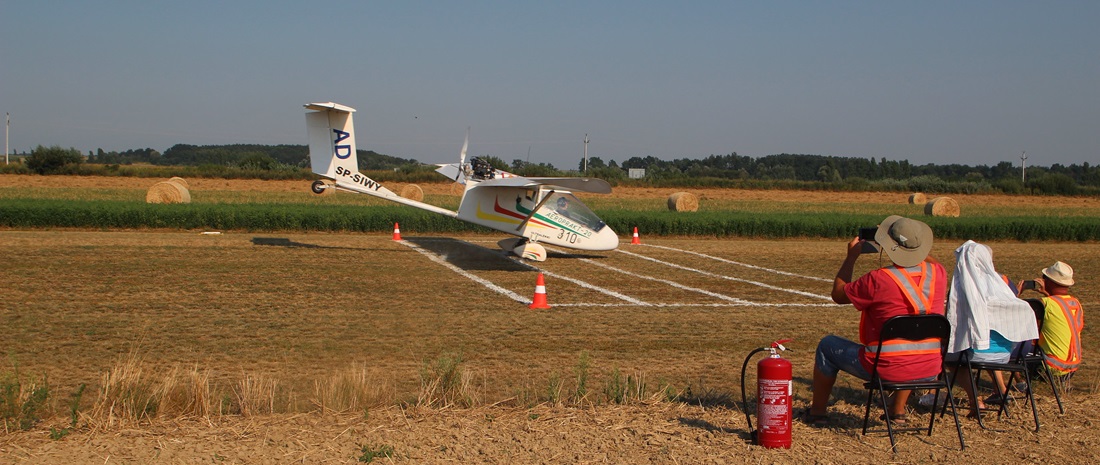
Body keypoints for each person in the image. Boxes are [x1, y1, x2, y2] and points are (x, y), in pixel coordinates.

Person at [804, 215, 948, 426]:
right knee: (911, 342)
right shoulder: (939, 273)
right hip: (929, 368)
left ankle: (817, 412)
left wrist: (851, 257)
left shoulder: (878, 279)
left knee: (827, 346)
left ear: (888, 246)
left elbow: (838, 294)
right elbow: (927, 259)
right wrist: (910, 244)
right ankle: (897, 410)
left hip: (886, 368)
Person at [942, 241, 1038, 417]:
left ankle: (974, 401)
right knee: (985, 341)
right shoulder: (1001, 287)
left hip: (979, 353)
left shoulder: (966, 288)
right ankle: (999, 389)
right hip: (1005, 355)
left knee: (949, 357)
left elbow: (955, 321)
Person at [1018, 261, 1083, 387]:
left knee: (1014, 349)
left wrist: (1016, 295)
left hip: (1051, 367)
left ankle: (1021, 384)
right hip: (1071, 368)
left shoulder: (1044, 304)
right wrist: (1048, 294)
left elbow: (1013, 318)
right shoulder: (1075, 303)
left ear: (1050, 281)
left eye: (1044, 278)